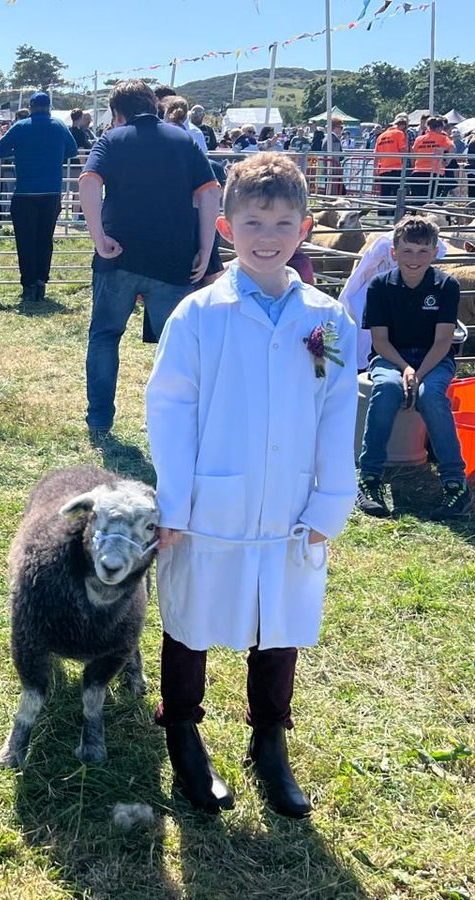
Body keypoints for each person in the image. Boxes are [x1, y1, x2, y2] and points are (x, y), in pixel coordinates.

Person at [146, 152, 358, 819]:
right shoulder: (201, 315)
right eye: (255, 220)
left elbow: (336, 408)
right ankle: (182, 726)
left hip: (290, 501)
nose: (269, 235)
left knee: (279, 619)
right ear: (229, 226)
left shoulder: (324, 319)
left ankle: (270, 737)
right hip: (213, 499)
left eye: (283, 222)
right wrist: (174, 501)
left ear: (305, 228)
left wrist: (329, 500)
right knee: (192, 617)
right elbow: (170, 409)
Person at [79, 79, 220, 437]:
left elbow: (89, 182)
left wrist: (98, 238)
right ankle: (168, 420)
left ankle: (99, 419)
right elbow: (209, 192)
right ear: (155, 106)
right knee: (175, 346)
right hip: (173, 259)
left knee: (105, 336)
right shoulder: (184, 139)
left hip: (118, 256)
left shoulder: (111, 139)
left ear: (117, 112)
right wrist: (205, 247)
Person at [357, 214, 470, 519]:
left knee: (431, 395)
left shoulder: (446, 285)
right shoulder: (380, 285)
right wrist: (405, 369)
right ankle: (370, 477)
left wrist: (418, 374)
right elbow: (379, 341)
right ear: (393, 252)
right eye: (407, 251)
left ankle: (454, 482)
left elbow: (444, 340)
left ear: (435, 252)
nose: (414, 259)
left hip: (434, 358)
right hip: (391, 355)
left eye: (423, 251)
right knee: (387, 387)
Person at [0, 91, 80, 303]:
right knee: (45, 239)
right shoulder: (59, 126)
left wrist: (19, 151)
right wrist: (55, 155)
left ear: (31, 107)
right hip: (51, 193)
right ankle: (41, 282)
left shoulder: (21, 127)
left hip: (25, 192)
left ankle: (28, 284)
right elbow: (73, 150)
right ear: (49, 107)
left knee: (26, 240)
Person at [409, 116, 454, 205]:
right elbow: (452, 147)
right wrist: (447, 161)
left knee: (417, 201)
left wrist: (413, 166)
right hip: (435, 172)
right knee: (432, 202)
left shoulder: (419, 139)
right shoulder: (442, 138)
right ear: (439, 128)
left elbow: (413, 153)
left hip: (418, 172)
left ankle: (415, 217)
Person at [374, 114, 410, 218]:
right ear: (403, 126)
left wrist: (376, 170)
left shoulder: (381, 136)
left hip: (383, 169)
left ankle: (381, 217)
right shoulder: (399, 134)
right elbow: (403, 151)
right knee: (397, 194)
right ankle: (396, 217)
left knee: (384, 195)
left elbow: (376, 155)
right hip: (396, 168)